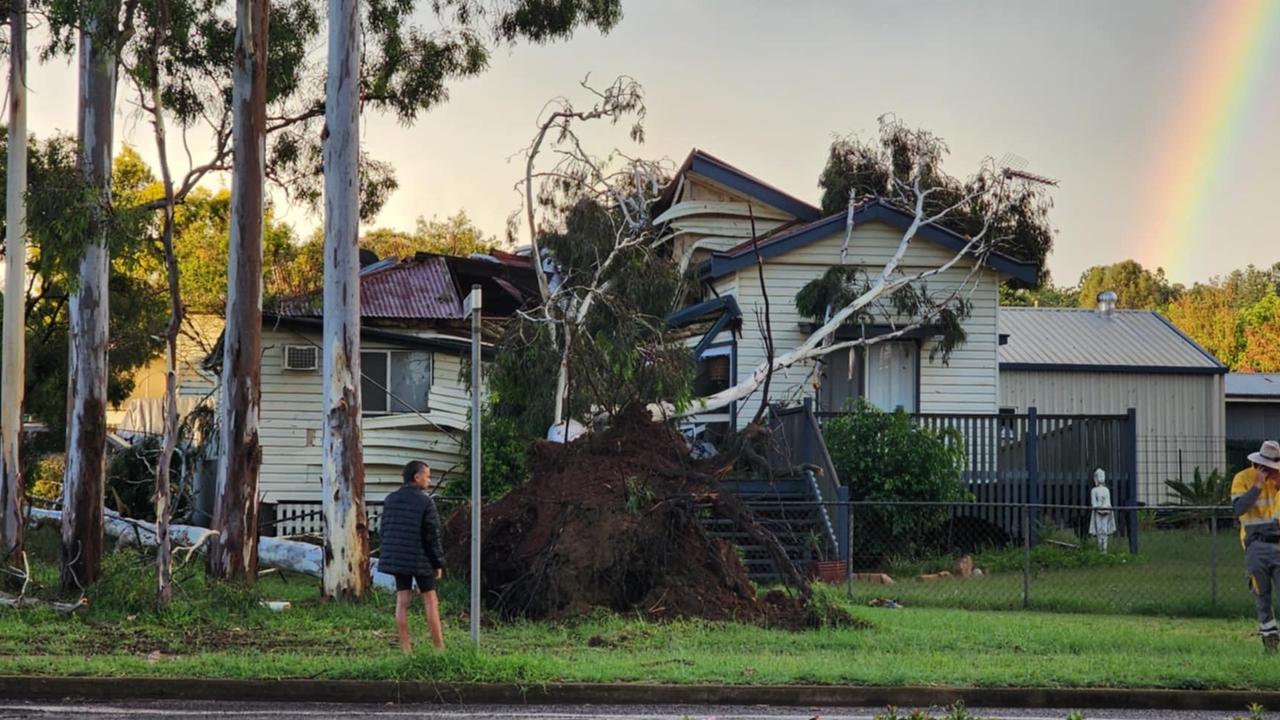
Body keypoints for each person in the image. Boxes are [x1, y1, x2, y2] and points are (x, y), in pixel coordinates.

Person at [378, 460, 446, 654]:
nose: (429, 481)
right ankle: (439, 648)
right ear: (417, 477)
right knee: (431, 600)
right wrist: (438, 562)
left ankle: (406, 650)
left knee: (402, 600)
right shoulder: (426, 502)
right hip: (420, 559)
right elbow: (431, 535)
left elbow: (384, 529)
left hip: (398, 557)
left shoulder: (391, 499)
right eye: (428, 476)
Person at [1232, 440, 1280, 653]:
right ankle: (1269, 641)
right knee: (1262, 595)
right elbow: (1239, 508)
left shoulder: (1278, 480)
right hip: (1255, 546)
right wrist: (1258, 486)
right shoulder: (1242, 479)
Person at [1088, 468, 1115, 553]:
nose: (1101, 477)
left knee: (1105, 530)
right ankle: (1100, 549)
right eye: (1099, 476)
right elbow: (1094, 503)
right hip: (1098, 512)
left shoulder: (1106, 490)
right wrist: (1099, 507)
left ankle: (1105, 550)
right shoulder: (1094, 490)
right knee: (1099, 530)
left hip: (1106, 511)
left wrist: (1106, 507)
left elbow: (1108, 502)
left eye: (1103, 475)